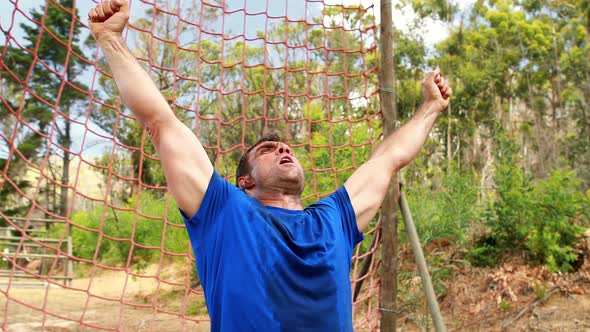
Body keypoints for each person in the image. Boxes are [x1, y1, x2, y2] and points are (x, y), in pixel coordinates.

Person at [88, 1, 452, 331]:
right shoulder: (225, 211)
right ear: (245, 180)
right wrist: (110, 39)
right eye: (268, 149)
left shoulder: (333, 219)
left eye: (286, 146)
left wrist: (430, 108)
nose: (283, 149)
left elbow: (389, 158)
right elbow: (160, 121)